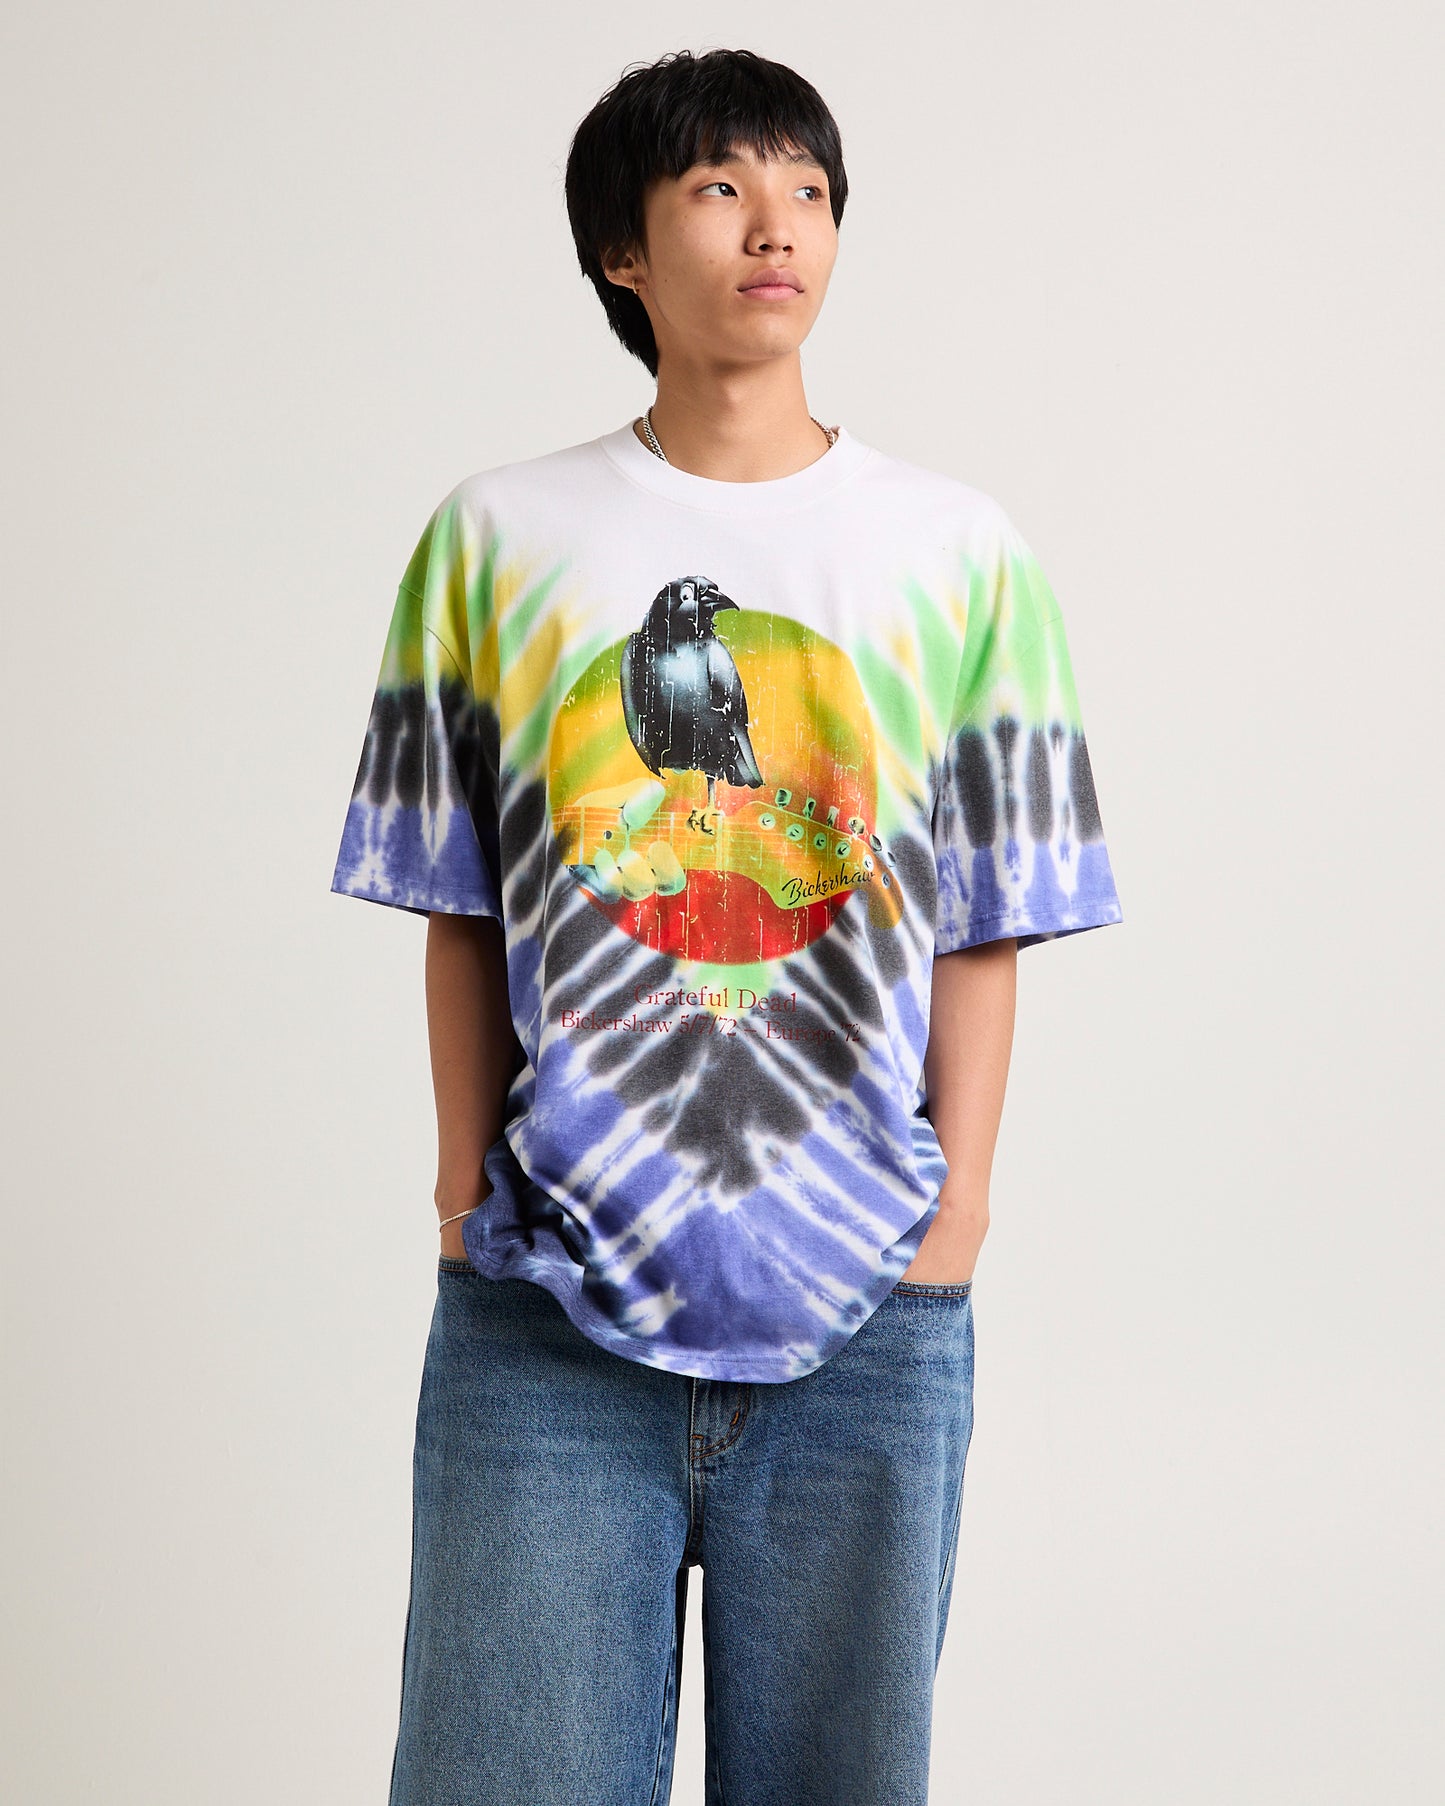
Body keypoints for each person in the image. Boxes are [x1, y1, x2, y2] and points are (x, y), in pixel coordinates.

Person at [330, 45, 1123, 1806]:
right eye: (719, 188)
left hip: (866, 1304)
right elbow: (456, 901)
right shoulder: (494, 540)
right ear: (621, 249)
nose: (776, 227)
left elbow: (984, 919)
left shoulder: (957, 551)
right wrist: (464, 1193)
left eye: (808, 192)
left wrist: (956, 1214)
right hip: (546, 1310)